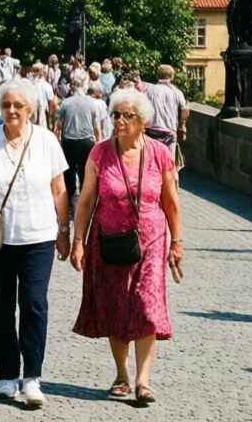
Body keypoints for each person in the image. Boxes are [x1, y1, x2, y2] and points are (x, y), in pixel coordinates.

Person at [0, 79, 69, 407]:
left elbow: (59, 189)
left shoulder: (47, 141)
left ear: (30, 110)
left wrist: (64, 230)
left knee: (34, 304)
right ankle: (7, 375)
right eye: (6, 105)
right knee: (1, 307)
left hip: (38, 236)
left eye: (17, 106)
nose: (11, 111)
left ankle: (32, 377)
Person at [71, 88, 182, 405]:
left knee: (147, 306)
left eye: (125, 116)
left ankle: (143, 380)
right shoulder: (100, 153)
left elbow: (171, 203)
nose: (118, 121)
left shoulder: (160, 154)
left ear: (143, 121)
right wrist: (78, 240)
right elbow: (87, 200)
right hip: (108, 239)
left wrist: (177, 241)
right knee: (116, 305)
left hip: (151, 240)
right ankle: (121, 374)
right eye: (115, 114)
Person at [53, 68, 102, 214]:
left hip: (69, 142)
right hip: (87, 142)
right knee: (85, 175)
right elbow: (97, 128)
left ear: (71, 88)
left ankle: (71, 208)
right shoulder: (93, 103)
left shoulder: (65, 103)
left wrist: (58, 144)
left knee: (69, 175)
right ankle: (86, 206)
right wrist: (98, 145)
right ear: (83, 86)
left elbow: (57, 127)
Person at [143, 65, 188, 159]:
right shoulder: (176, 91)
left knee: (153, 162)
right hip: (170, 131)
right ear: (172, 76)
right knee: (169, 164)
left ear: (157, 75)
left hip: (153, 130)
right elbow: (185, 109)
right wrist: (181, 126)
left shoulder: (149, 90)